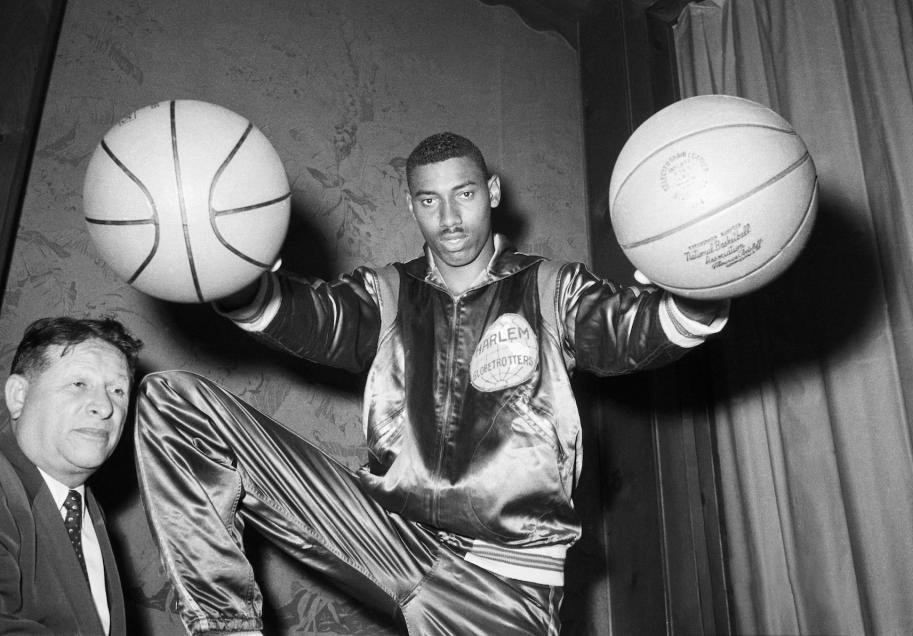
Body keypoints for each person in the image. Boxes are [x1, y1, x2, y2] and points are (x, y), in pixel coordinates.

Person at [134, 132, 728, 635]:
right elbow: (315, 319)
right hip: (389, 537)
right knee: (173, 402)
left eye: (464, 194)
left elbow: (628, 329)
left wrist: (697, 289)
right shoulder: (388, 293)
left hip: (505, 581)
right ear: (411, 206)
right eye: (429, 200)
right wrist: (227, 271)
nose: (449, 218)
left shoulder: (551, 288)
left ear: (491, 193)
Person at [0, 315, 142, 635]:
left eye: (118, 390)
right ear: (18, 397)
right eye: (79, 384)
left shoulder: (82, 506)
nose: (104, 407)